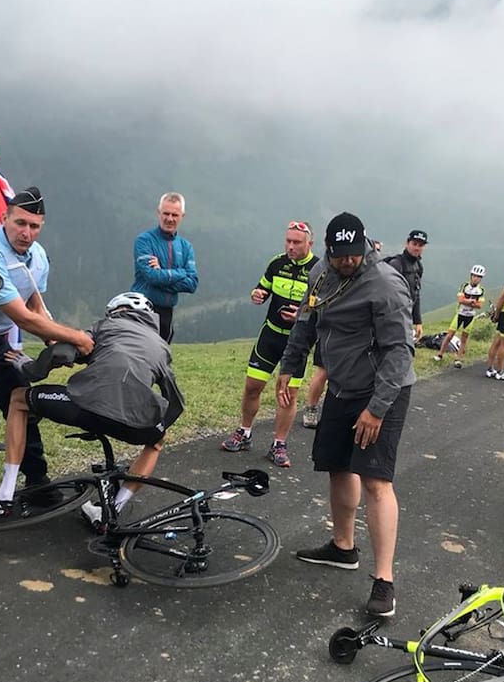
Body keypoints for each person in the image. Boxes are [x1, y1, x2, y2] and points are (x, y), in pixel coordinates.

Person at [277, 212, 415, 617]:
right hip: (341, 385)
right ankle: (343, 547)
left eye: (353, 256)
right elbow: (306, 321)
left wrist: (376, 409)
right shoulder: (322, 273)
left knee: (375, 480)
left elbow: (399, 352)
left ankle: (384, 580)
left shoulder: (386, 285)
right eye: (339, 257)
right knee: (337, 465)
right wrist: (290, 367)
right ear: (329, 250)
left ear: (364, 246)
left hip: (382, 390)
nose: (346, 263)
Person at [0, 293, 184, 525]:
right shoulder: (162, 347)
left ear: (116, 311)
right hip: (134, 423)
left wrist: (28, 368)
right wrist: (158, 427)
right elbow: (176, 402)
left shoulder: (106, 325)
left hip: (83, 405)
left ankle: (5, 494)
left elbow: (63, 353)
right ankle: (113, 510)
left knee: (18, 399)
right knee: (155, 443)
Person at [0, 187, 94, 485]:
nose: (26, 233)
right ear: (4, 218)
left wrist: (53, 342)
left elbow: (35, 303)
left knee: (24, 404)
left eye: (34, 226)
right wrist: (78, 337)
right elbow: (21, 317)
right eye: (20, 223)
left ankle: (38, 482)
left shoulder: (38, 256)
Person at [220, 220, 317, 467]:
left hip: (297, 342)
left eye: (297, 242)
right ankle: (244, 432)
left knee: (287, 394)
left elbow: (326, 309)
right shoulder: (277, 263)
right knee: (252, 386)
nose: (291, 246)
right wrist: (257, 295)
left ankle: (279, 445)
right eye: (288, 241)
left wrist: (301, 315)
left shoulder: (319, 270)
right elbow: (262, 288)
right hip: (270, 335)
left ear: (310, 244)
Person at [131, 192, 198, 342]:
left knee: (161, 360)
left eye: (175, 215)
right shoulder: (144, 241)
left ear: (182, 216)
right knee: (140, 359)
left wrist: (163, 273)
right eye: (166, 213)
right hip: (142, 310)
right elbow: (152, 277)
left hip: (167, 314)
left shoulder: (186, 246)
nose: (169, 219)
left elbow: (192, 284)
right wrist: (182, 272)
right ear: (158, 213)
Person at [433, 265, 486, 367]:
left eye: (479, 277)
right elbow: (460, 300)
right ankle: (440, 355)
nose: (476, 278)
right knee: (449, 335)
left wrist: (467, 302)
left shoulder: (481, 290)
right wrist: (471, 301)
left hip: (470, 317)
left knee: (464, 339)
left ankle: (458, 359)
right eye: (474, 276)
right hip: (460, 314)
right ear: (471, 276)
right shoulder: (464, 286)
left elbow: (480, 305)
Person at [384, 229, 426, 340]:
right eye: (414, 244)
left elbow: (416, 294)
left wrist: (418, 322)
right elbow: (385, 294)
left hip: (405, 317)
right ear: (407, 243)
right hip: (390, 318)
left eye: (421, 245)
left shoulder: (418, 267)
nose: (417, 248)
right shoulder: (396, 264)